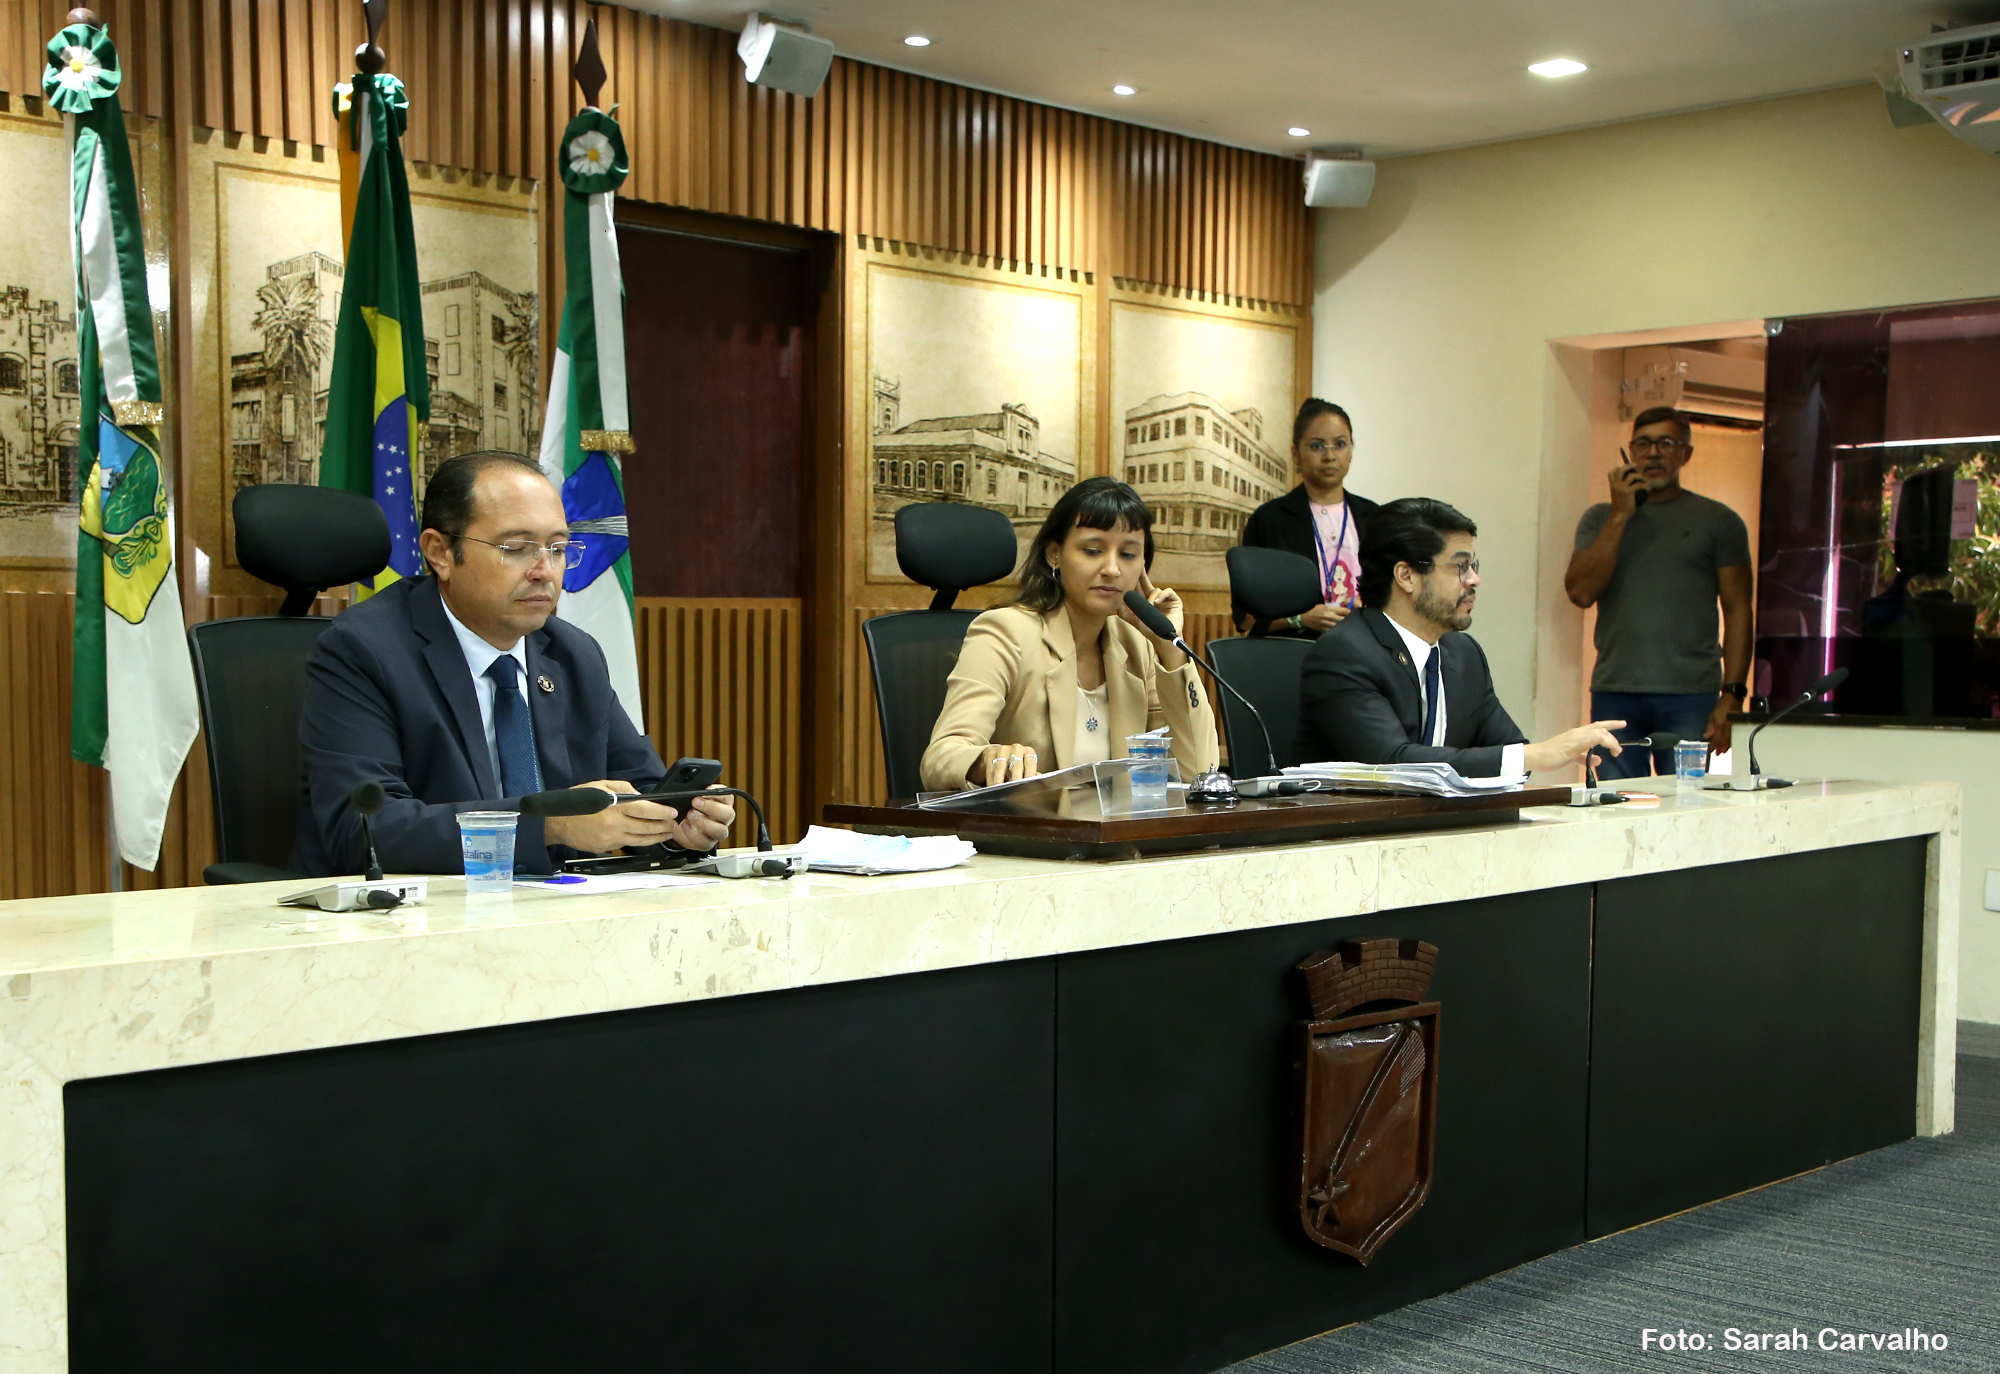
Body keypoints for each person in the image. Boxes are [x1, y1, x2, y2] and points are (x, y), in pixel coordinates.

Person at [293, 451, 736, 877]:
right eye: (518, 548)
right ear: (440, 552)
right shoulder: (364, 650)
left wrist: (679, 825)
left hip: (552, 907)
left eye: (557, 548)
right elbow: (364, 829)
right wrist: (548, 824)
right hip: (411, 914)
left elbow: (639, 788)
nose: (545, 571)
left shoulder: (572, 653)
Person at [922, 476, 1220, 792]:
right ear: (1055, 553)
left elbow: (1200, 771)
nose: (1112, 569)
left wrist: (1169, 648)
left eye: (1128, 555)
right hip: (1030, 821)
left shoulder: (1137, 646)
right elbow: (941, 758)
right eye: (1092, 550)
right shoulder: (1005, 632)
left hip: (1117, 823)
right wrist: (988, 760)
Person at [1297, 496, 1626, 777]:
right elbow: (1391, 764)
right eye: (1460, 567)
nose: (1474, 580)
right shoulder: (1344, 653)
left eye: (1473, 566)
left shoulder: (1463, 653)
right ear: (1406, 576)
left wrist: (1549, 753)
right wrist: (1537, 755)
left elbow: (1508, 749)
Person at [1564, 407, 1754, 780]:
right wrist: (1620, 514)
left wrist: (1732, 695)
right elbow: (1581, 593)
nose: (1653, 453)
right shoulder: (1600, 518)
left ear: (1686, 453)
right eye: (1643, 444)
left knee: (1688, 801)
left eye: (1666, 443)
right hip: (1616, 690)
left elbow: (1738, 610)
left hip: (1691, 695)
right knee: (1617, 803)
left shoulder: (1719, 521)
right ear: (1630, 452)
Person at [1238, 399, 1380, 636]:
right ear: (1296, 454)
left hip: (1367, 648)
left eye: (1340, 444)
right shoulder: (1269, 521)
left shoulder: (1375, 518)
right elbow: (1246, 620)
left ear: (1351, 450)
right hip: (1297, 651)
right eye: (1317, 446)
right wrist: (1299, 619)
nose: (1330, 456)